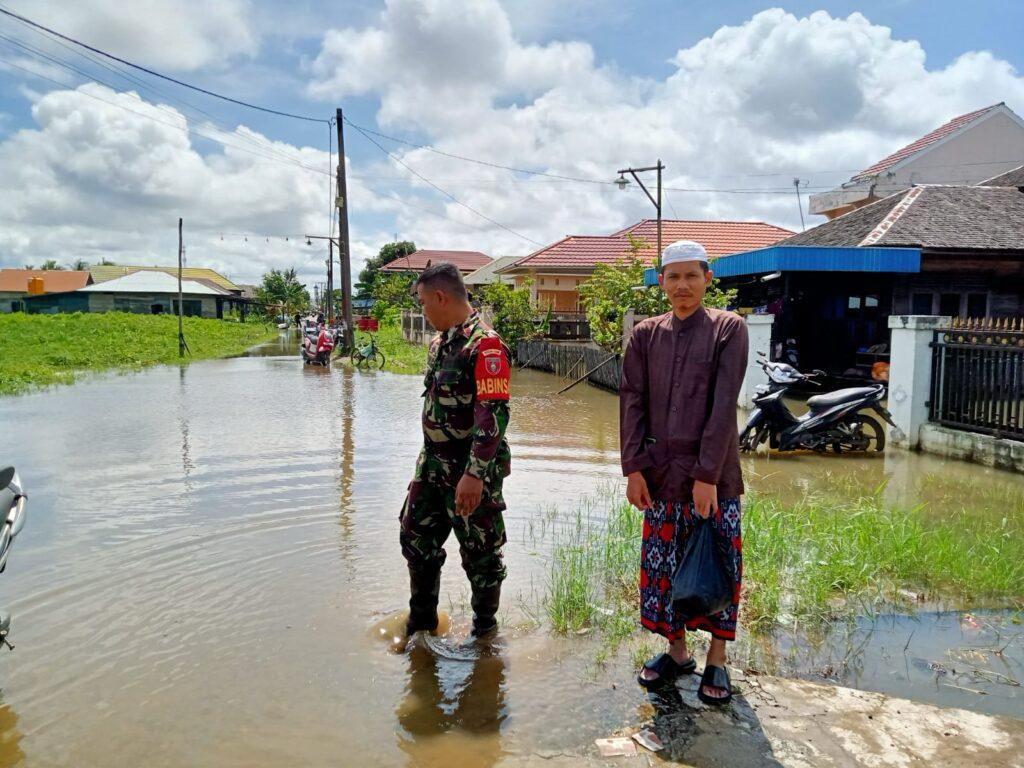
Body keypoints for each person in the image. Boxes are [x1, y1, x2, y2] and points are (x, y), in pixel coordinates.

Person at [619, 240, 748, 705]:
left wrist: (707, 475)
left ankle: (716, 658)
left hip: (712, 477)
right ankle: (676, 653)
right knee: (663, 567)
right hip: (659, 475)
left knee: (716, 563)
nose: (682, 286)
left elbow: (722, 407)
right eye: (672, 277)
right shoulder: (645, 335)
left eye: (691, 276)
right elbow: (632, 400)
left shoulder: (728, 329)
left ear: (707, 279)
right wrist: (633, 468)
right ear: (661, 282)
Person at [400, 263, 512, 639]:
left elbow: (493, 415)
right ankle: (421, 626)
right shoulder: (440, 343)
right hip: (431, 467)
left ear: (441, 297)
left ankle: (484, 636)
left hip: (468, 475)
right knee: (416, 539)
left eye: (423, 302)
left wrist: (474, 475)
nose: (422, 310)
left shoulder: (485, 345)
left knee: (481, 555)